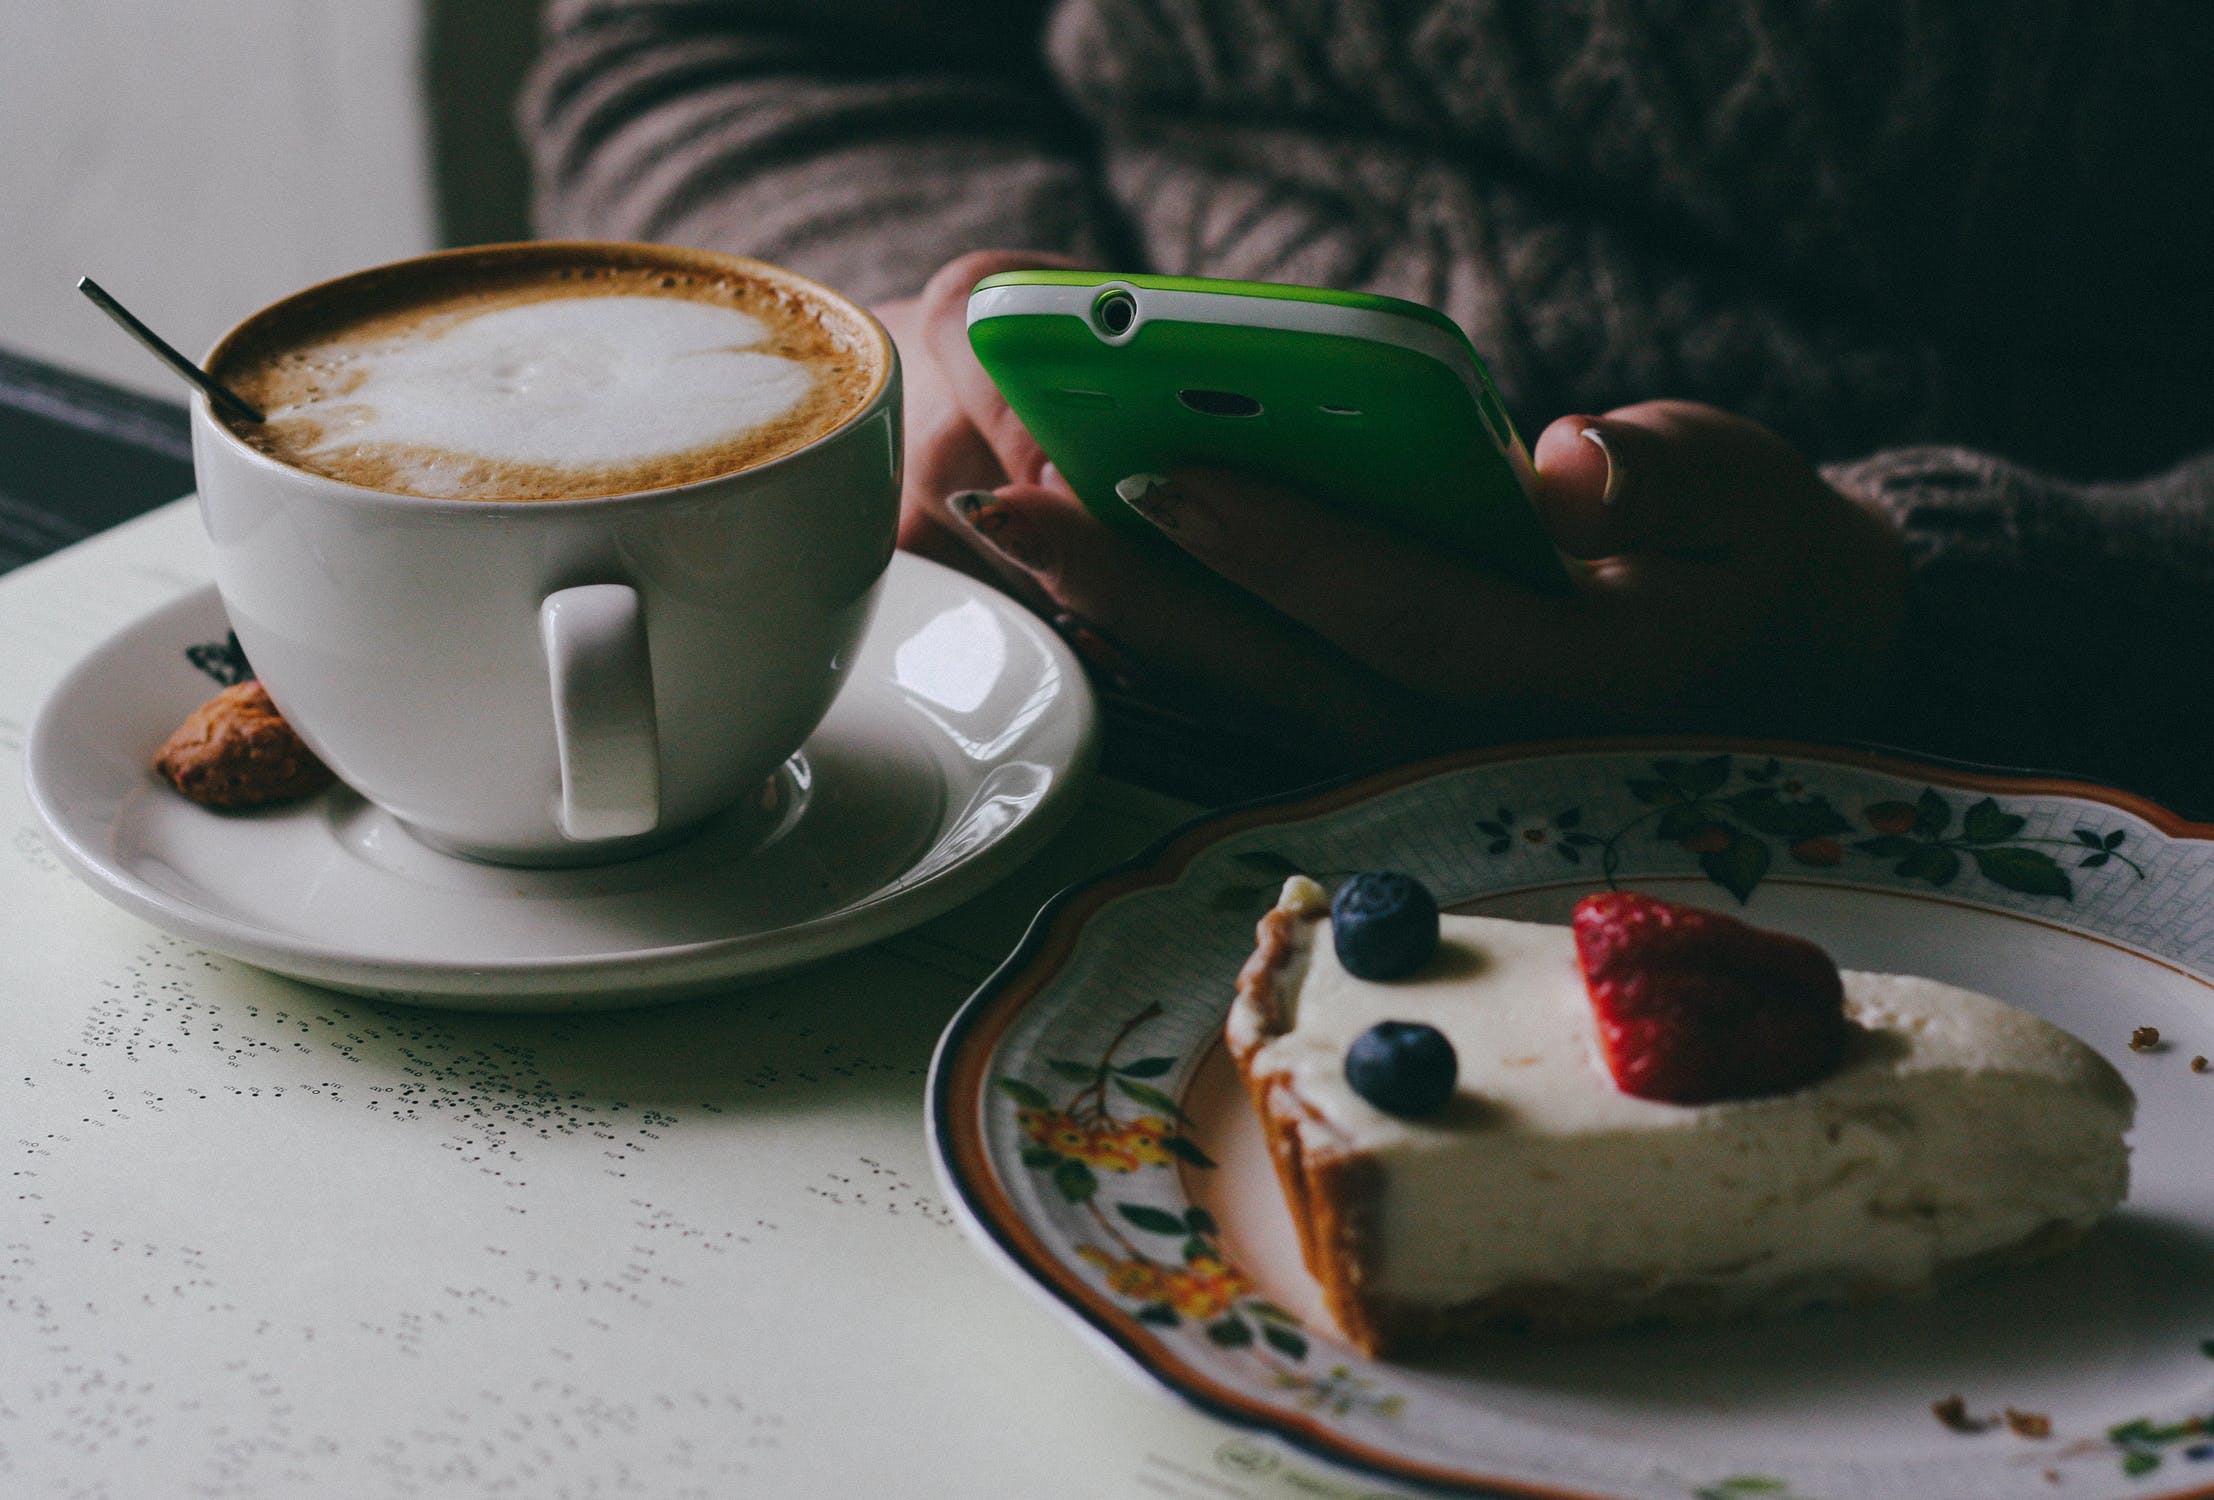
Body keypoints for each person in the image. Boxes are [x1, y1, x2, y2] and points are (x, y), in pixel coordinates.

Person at [521, 0, 2214, 809]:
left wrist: (1929, 606)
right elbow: (740, 41)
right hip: (1021, 698)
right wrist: (910, 334)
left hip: (2005, 807)